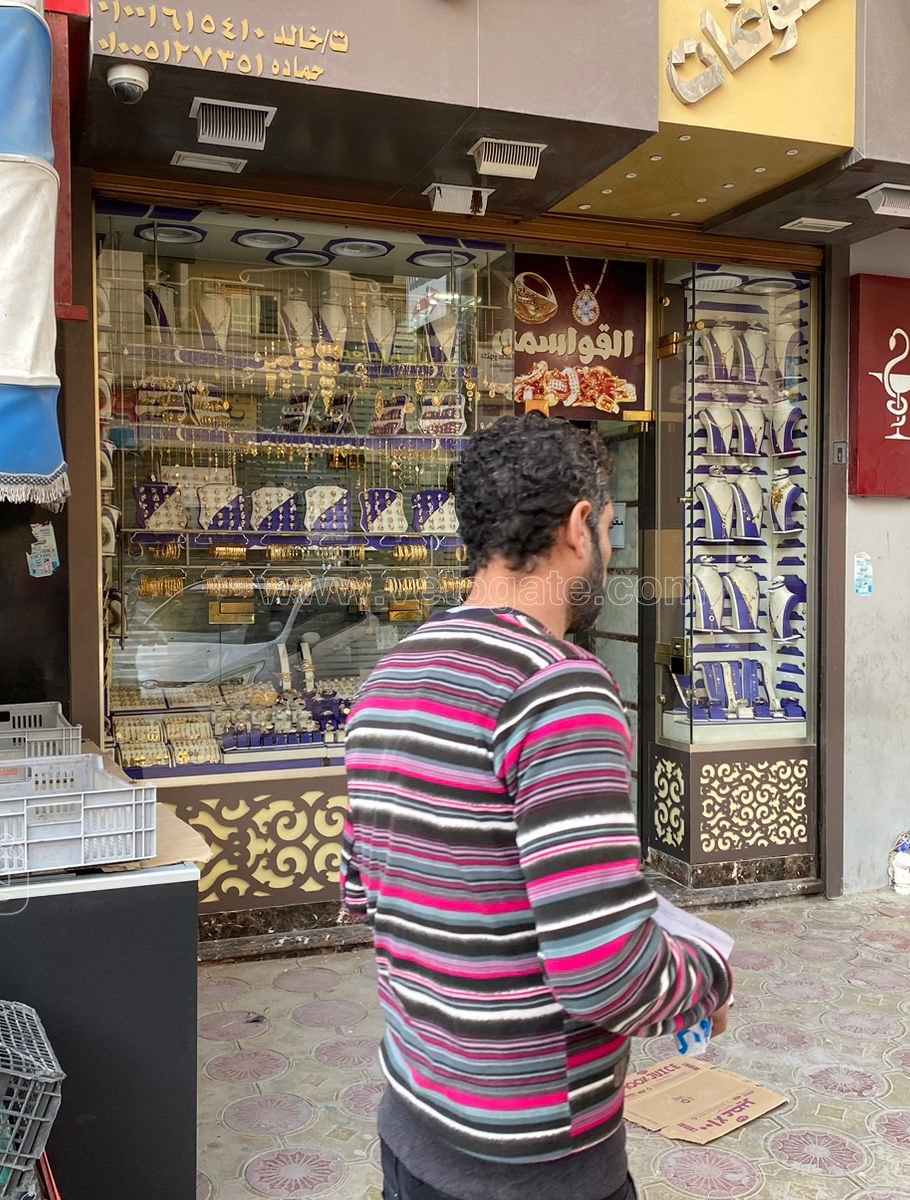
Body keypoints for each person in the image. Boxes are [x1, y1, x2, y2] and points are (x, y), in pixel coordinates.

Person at [340, 414, 733, 1200]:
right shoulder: (559, 688)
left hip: (414, 1125)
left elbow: (364, 893)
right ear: (579, 527)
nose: (610, 549)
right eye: (611, 528)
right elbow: (604, 973)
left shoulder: (389, 680)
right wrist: (707, 977)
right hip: (535, 1163)